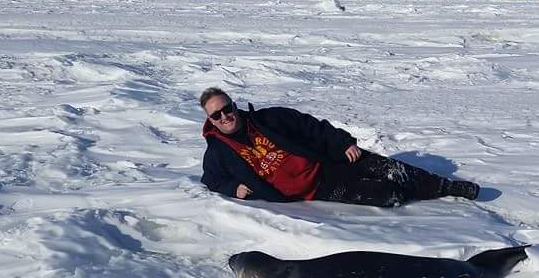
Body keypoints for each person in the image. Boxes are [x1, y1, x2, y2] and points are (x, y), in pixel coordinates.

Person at [198, 87, 480, 207]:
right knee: (387, 194)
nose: (225, 117)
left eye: (227, 108)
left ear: (234, 105)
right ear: (210, 119)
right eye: (217, 115)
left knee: (389, 168)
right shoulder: (218, 152)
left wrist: (342, 142)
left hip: (326, 163)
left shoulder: (268, 119)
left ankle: (446, 187)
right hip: (316, 192)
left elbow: (312, 126)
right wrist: (232, 188)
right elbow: (210, 179)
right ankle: (416, 193)